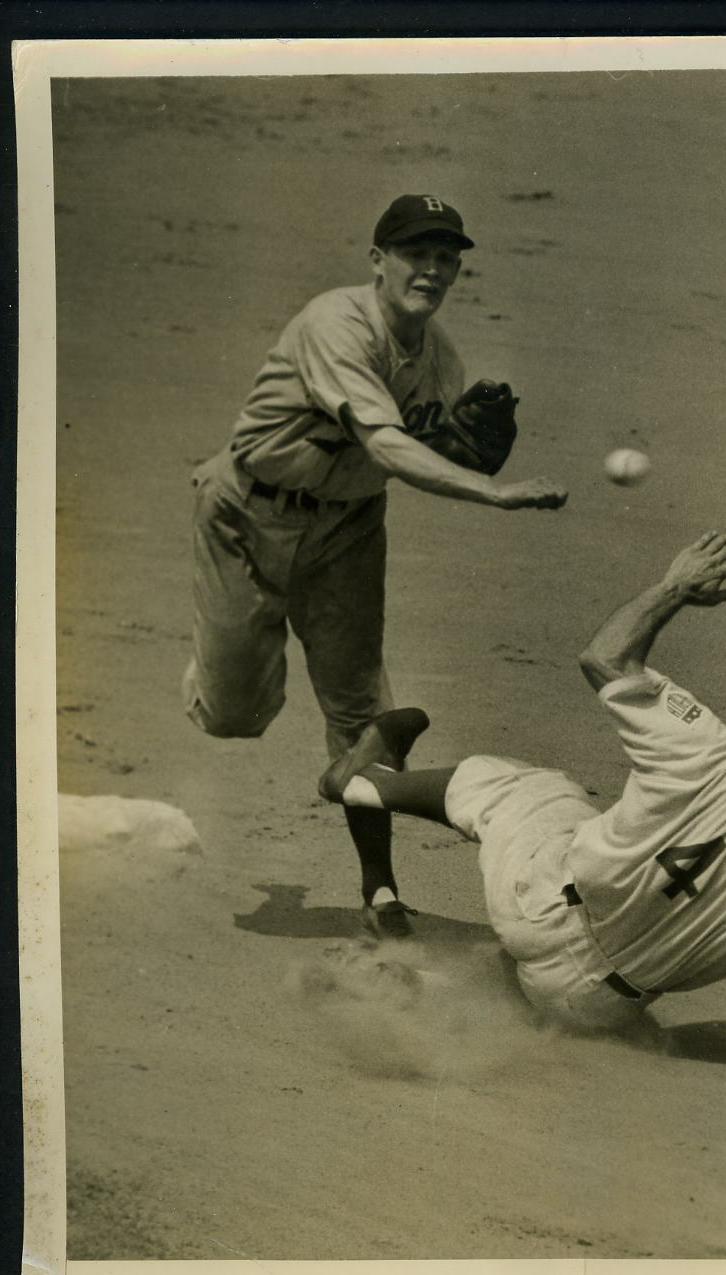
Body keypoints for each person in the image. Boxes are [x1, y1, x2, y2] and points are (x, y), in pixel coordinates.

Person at [318, 531, 726, 1086]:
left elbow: (605, 656)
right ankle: (428, 991)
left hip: (535, 905)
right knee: (560, 985)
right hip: (591, 1003)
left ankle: (365, 782)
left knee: (531, 790)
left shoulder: (710, 750)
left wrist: (675, 589)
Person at [183, 194, 568, 937]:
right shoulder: (338, 325)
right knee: (235, 714)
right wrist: (493, 490)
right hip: (246, 515)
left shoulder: (442, 361)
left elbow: (427, 454)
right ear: (378, 262)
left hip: (349, 533)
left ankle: (380, 892)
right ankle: (214, 656)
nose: (431, 268)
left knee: (363, 717)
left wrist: (469, 449)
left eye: (445, 256)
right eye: (415, 253)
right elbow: (389, 446)